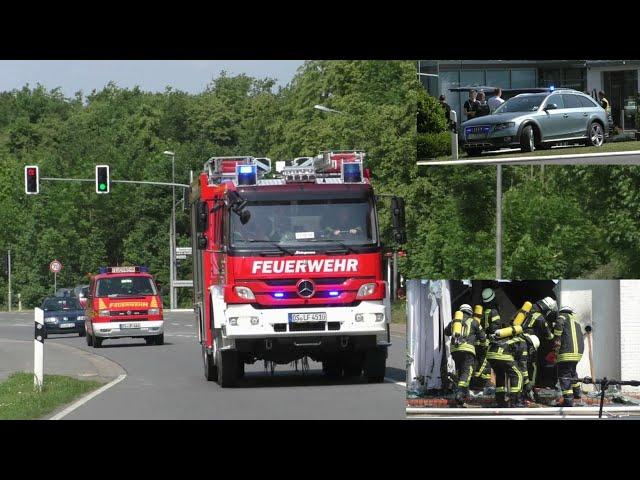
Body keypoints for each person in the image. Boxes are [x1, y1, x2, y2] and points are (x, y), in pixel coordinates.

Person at [444, 304, 486, 406]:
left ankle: (463, 394)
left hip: (455, 350)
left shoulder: (455, 321)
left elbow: (446, 332)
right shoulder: (474, 322)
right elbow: (483, 337)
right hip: (468, 350)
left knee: (460, 371)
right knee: (466, 372)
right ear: (470, 312)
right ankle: (460, 393)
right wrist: (482, 347)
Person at [485, 308, 527, 408]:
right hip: (502, 355)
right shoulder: (523, 342)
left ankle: (500, 401)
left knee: (500, 375)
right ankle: (515, 401)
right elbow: (522, 363)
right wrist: (526, 381)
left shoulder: (509, 336)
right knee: (517, 374)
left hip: (490, 354)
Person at [522, 297, 557, 390]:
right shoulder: (540, 318)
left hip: (519, 341)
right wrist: (556, 339)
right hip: (529, 343)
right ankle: (529, 388)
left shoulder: (527, 310)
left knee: (521, 365)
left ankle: (521, 388)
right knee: (531, 365)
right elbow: (549, 336)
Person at [552, 306, 584, 407]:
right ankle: (577, 395)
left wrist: (556, 340)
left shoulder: (562, 317)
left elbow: (558, 326)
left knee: (564, 375)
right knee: (573, 373)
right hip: (577, 353)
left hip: (566, 352)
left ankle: (568, 401)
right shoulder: (576, 320)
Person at [470, 288, 498, 390]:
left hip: (478, 341)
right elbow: (495, 329)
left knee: (478, 362)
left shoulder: (481, 313)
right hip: (487, 342)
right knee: (486, 362)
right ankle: (486, 384)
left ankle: (474, 383)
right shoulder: (494, 312)